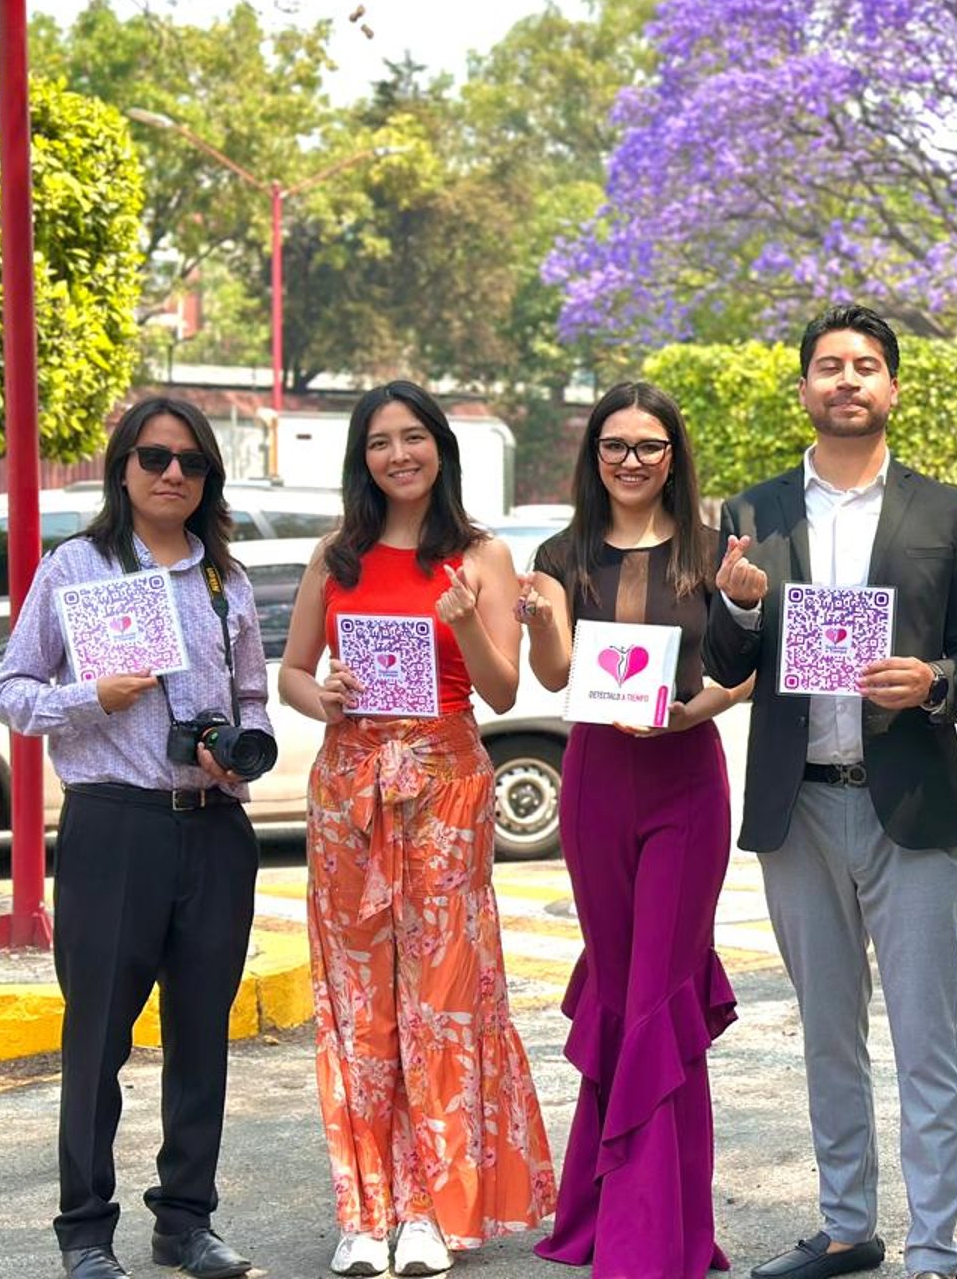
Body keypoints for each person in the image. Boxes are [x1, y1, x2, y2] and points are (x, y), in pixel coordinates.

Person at [704, 304, 957, 1279]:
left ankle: (934, 1250)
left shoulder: (944, 510)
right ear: (804, 389)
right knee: (828, 1033)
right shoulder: (752, 514)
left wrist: (936, 679)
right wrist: (740, 605)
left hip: (911, 802)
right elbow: (725, 658)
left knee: (927, 1039)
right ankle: (845, 1228)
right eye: (830, 366)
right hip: (799, 807)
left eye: (866, 366)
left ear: (892, 387)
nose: (848, 380)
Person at [0, 397, 271, 1279]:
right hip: (114, 825)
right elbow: (10, 690)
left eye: (192, 462)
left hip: (215, 827)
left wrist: (239, 750)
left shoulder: (224, 579)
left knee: (202, 1037)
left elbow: (253, 698)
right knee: (98, 1039)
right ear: (123, 468)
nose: (173, 474)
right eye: (155, 457)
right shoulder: (77, 567)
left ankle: (186, 1222)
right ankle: (85, 1232)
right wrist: (91, 697)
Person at [279, 381, 553, 1277]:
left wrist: (468, 622)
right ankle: (364, 1211)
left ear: (440, 446)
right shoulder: (337, 554)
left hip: (445, 787)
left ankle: (432, 1209)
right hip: (349, 787)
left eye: (413, 437)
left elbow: (504, 691)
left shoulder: (482, 555)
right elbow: (293, 673)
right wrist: (321, 696)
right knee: (358, 1001)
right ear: (362, 458)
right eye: (379, 442)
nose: (398, 455)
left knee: (440, 1000)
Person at [516, 381, 748, 1278]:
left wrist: (695, 711)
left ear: (673, 455)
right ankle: (603, 1209)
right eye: (615, 445)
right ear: (594, 455)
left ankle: (652, 1234)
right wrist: (542, 622)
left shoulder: (715, 549)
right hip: (596, 784)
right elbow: (555, 675)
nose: (631, 461)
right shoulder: (559, 553)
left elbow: (747, 669)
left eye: (649, 445)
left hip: (685, 779)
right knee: (618, 989)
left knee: (659, 989)